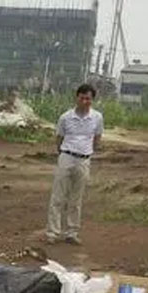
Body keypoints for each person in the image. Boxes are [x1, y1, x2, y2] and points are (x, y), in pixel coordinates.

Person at [46, 83, 103, 245]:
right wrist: (64, 153)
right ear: (77, 97)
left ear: (92, 100)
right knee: (58, 196)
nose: (85, 101)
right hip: (66, 157)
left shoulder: (97, 118)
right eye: (82, 98)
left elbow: (97, 137)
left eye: (88, 99)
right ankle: (52, 233)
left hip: (84, 159)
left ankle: (72, 232)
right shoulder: (65, 117)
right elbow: (59, 138)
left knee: (76, 199)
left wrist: (89, 151)